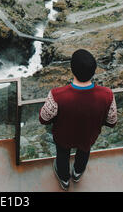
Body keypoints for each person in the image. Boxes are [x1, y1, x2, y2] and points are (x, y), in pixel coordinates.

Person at [39, 49, 117, 191]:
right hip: (88, 135)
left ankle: (64, 179)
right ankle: (77, 173)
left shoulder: (57, 95)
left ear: (72, 69)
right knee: (84, 151)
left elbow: (44, 118)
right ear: (94, 71)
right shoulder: (107, 94)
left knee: (62, 155)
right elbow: (112, 121)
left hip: (63, 136)